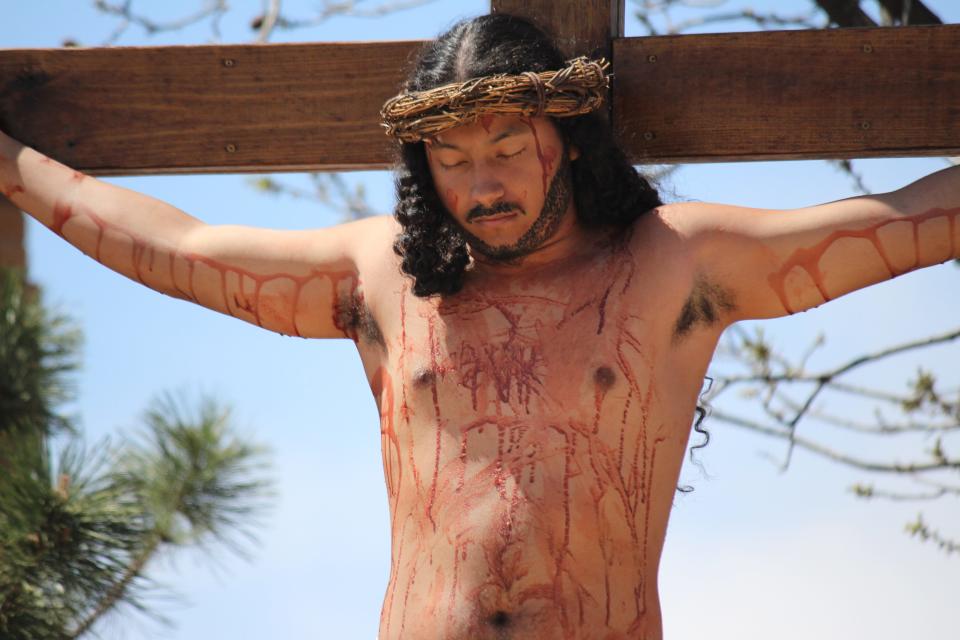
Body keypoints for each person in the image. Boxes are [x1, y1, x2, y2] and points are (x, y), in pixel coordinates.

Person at [1, 12, 958, 640]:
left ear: (568, 142)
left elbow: (902, 224)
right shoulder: (382, 277)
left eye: (507, 147)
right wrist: (13, 167)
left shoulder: (673, 266)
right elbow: (184, 245)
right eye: (451, 159)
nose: (483, 183)